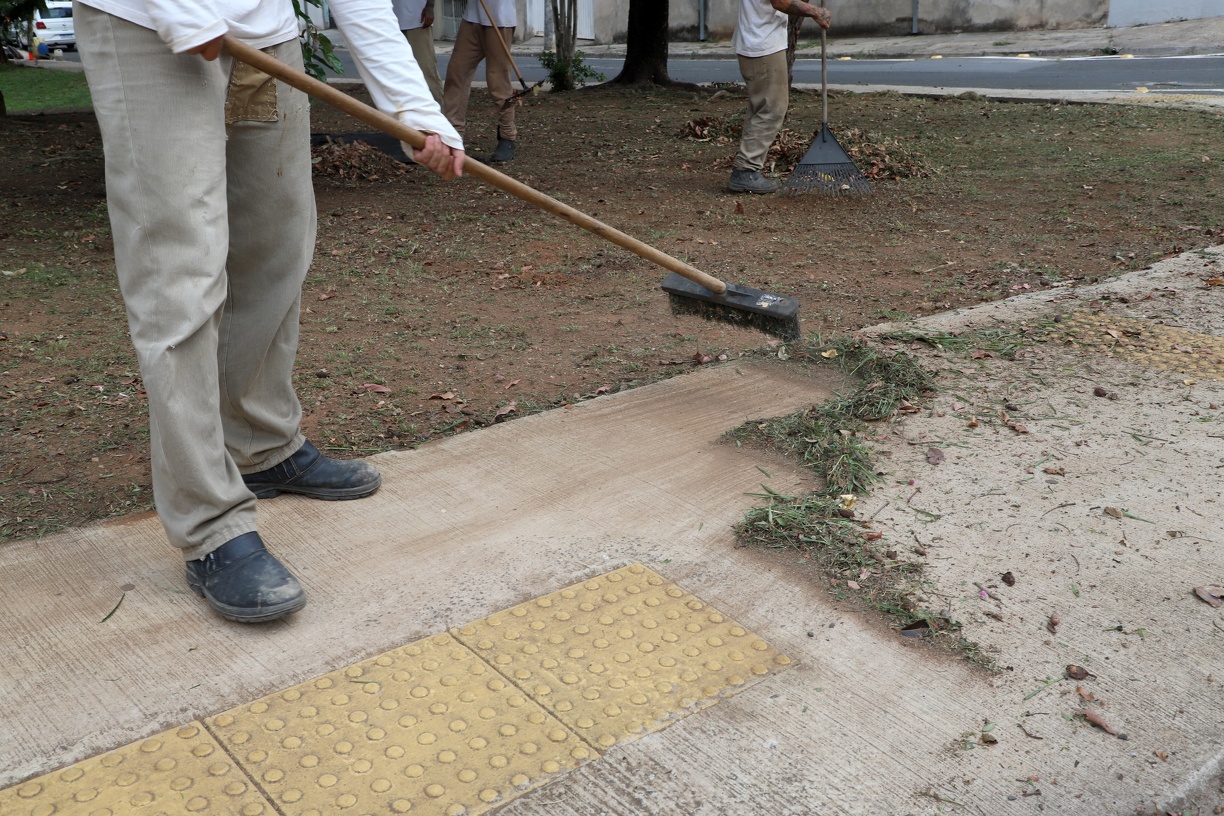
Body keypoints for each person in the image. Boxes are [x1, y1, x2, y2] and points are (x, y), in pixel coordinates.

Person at [75, 0, 465, 624]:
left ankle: (260, 442)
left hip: (267, 37)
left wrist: (414, 108)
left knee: (277, 249)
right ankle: (211, 524)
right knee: (180, 273)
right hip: (150, 27)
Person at [729, 0, 831, 194]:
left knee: (761, 107)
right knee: (772, 108)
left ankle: (747, 167)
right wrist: (815, 11)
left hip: (759, 41)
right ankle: (745, 171)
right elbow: (780, 1)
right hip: (762, 44)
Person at [443, 0, 518, 163]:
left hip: (499, 20)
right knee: (457, 73)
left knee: (498, 80)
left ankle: (507, 136)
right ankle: (452, 135)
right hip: (472, 19)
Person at [393, 0, 443, 104]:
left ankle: (439, 114)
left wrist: (429, 7)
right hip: (390, 22)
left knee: (426, 71)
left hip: (417, 20)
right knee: (396, 75)